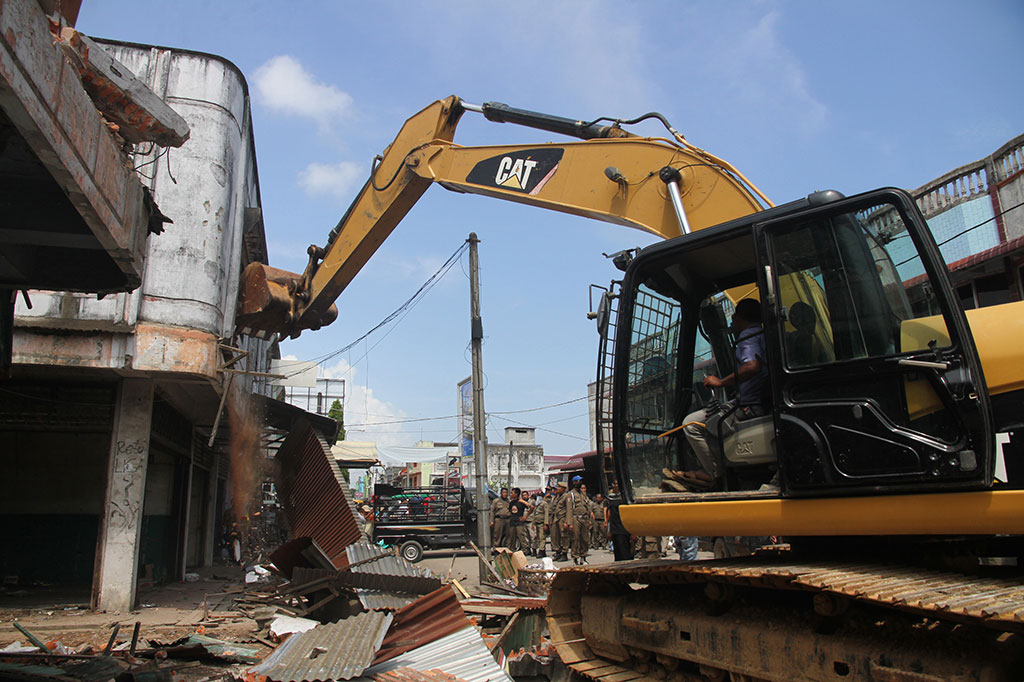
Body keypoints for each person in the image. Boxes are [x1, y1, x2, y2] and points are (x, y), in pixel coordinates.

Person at [681, 298, 770, 489]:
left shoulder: (748, 336)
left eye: (734, 318)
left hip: (748, 406)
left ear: (739, 318)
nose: (732, 322)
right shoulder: (765, 334)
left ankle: (715, 474)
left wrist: (720, 382)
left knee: (691, 425)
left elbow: (752, 366)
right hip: (757, 402)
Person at [556, 475, 594, 565]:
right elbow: (569, 509)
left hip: (584, 518)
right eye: (578, 481)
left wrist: (589, 520)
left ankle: (583, 557)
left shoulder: (583, 494)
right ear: (574, 482)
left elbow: (587, 506)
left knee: (585, 539)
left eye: (580, 481)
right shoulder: (570, 494)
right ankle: (575, 558)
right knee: (575, 539)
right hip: (575, 518)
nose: (579, 483)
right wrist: (569, 523)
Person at [605, 483, 633, 561]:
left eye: (617, 484)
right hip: (615, 530)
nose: (615, 485)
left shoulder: (626, 498)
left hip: (624, 530)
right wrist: (609, 530)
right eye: (614, 484)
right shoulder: (612, 499)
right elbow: (610, 515)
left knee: (625, 554)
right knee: (618, 555)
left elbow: (630, 516)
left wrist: (633, 532)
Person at [508, 487, 532, 552]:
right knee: (512, 538)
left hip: (519, 522)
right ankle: (512, 551)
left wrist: (525, 517)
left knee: (521, 537)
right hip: (512, 522)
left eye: (512, 493)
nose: (511, 494)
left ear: (516, 494)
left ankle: (524, 550)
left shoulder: (521, 502)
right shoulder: (511, 503)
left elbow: (531, 507)